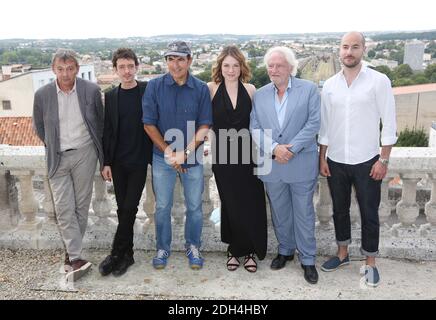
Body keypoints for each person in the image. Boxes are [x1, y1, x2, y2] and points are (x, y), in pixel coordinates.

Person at [318, 31, 397, 287]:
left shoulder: (379, 80)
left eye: (354, 47)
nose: (349, 52)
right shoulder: (330, 85)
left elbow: (389, 123)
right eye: (344, 47)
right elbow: (325, 127)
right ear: (339, 50)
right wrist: (323, 157)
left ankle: (370, 262)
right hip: (337, 160)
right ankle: (342, 254)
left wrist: (383, 160)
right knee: (339, 210)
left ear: (364, 49)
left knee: (368, 213)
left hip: (367, 160)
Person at [250, 46, 320, 284]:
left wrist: (290, 149)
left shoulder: (309, 89)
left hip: (300, 162)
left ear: (291, 67)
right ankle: (286, 251)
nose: (274, 70)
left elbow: (313, 123)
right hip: (272, 165)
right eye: (270, 65)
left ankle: (308, 260)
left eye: (279, 65)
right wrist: (274, 149)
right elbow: (254, 128)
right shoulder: (259, 94)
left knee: (304, 213)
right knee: (280, 213)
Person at [33, 49, 104, 282]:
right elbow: (40, 128)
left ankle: (71, 253)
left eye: (70, 68)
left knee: (81, 207)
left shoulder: (91, 90)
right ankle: (75, 257)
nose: (65, 74)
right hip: (58, 156)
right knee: (64, 208)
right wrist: (54, 145)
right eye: (60, 69)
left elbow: (100, 124)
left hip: (85, 153)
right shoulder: (42, 94)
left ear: (77, 69)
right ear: (54, 69)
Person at [142, 41, 212, 270]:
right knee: (162, 206)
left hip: (192, 158)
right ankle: (163, 248)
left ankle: (193, 246)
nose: (175, 64)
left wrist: (186, 153)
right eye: (171, 59)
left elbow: (204, 125)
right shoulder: (154, 86)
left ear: (190, 60)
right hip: (163, 158)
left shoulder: (201, 88)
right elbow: (149, 124)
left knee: (194, 206)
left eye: (180, 58)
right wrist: (171, 152)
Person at [207, 46, 267, 273]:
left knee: (249, 204)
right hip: (222, 157)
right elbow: (207, 123)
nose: (231, 70)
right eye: (226, 65)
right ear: (220, 68)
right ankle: (234, 249)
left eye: (235, 65)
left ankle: (250, 250)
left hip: (247, 156)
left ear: (241, 67)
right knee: (230, 204)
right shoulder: (211, 89)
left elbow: (259, 124)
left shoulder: (251, 90)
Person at [98, 48, 153, 277]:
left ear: (136, 67)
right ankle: (127, 254)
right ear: (115, 70)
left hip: (139, 160)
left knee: (130, 207)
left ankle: (114, 253)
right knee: (123, 209)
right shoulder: (111, 96)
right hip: (118, 162)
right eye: (122, 67)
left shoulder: (147, 90)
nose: (127, 71)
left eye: (130, 66)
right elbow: (108, 131)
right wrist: (106, 162)